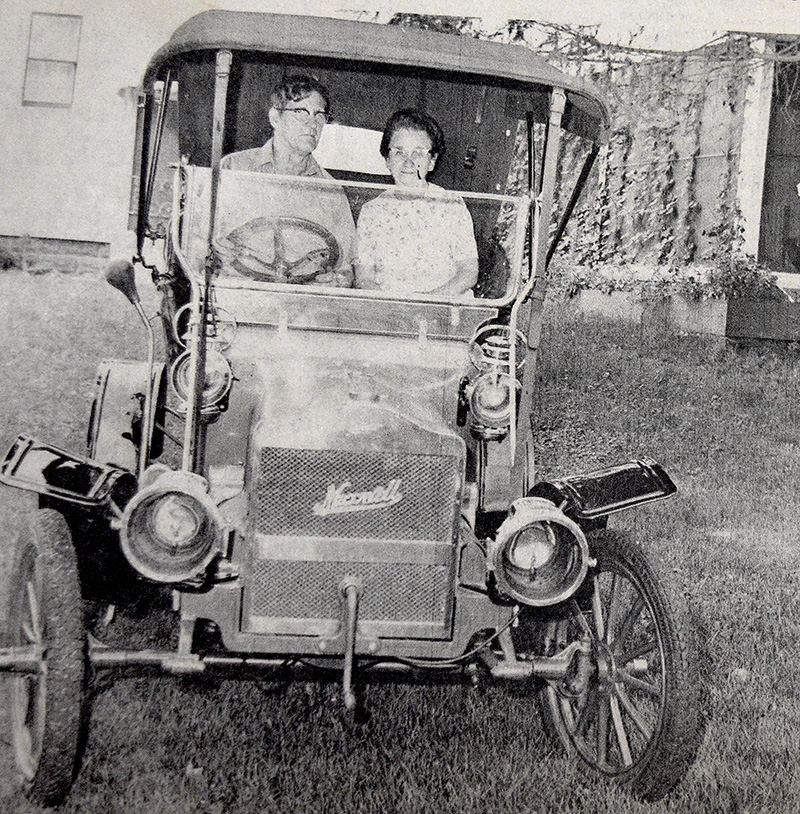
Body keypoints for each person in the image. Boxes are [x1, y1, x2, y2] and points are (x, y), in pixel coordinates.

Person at [218, 74, 355, 286]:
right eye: (301, 112)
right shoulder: (234, 168)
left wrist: (337, 280)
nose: (313, 124)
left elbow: (347, 267)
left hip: (304, 306)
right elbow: (199, 243)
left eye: (320, 116)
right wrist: (214, 248)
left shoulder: (331, 190)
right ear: (275, 118)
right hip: (239, 296)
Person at [354, 109, 478, 296]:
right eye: (399, 152)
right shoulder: (371, 211)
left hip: (440, 311)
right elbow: (364, 279)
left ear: (432, 161)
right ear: (387, 160)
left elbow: (468, 273)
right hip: (389, 315)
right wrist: (396, 310)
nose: (408, 163)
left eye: (418, 153)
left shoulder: (452, 205)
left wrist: (425, 304)